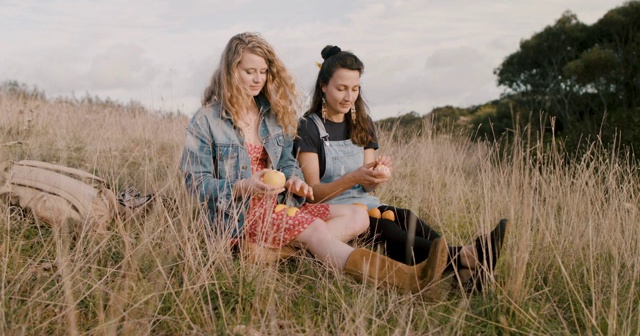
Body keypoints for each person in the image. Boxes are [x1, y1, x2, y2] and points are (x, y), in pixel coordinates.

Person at [179, 32, 449, 298]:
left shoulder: (270, 115)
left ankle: (270, 253)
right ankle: (406, 280)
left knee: (358, 216)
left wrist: (294, 179)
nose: (258, 79)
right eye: (250, 71)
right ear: (230, 71)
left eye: (263, 71)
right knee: (316, 231)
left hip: (280, 205)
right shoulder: (206, 121)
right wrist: (244, 185)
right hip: (237, 215)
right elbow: (195, 183)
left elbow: (288, 163)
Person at [295, 45, 508, 291]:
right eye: (341, 89)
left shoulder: (362, 124)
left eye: (355, 89)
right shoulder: (308, 127)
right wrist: (353, 176)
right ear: (323, 86)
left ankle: (463, 270)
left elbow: (366, 186)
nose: (348, 97)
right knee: (388, 230)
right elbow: (314, 194)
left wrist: (374, 176)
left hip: (366, 204)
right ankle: (467, 259)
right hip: (335, 213)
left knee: (407, 216)